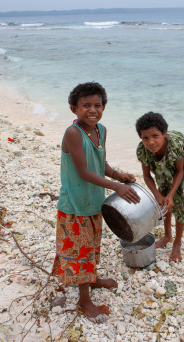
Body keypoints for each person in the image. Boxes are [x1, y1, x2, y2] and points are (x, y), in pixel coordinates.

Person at [51, 82, 140, 323]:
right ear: (73, 109)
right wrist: (117, 187)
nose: (92, 110)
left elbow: (100, 164)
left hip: (93, 202)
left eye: (97, 105)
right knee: (80, 250)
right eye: (86, 105)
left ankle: (91, 278)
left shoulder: (101, 130)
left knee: (91, 244)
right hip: (75, 204)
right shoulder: (73, 133)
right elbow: (83, 171)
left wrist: (118, 175)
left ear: (104, 108)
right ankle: (84, 300)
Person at [135, 112, 184, 262]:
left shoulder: (175, 145)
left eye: (155, 136)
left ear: (164, 133)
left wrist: (172, 194)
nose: (151, 142)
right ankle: (167, 235)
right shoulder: (143, 150)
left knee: (181, 200)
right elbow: (147, 176)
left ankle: (177, 243)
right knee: (163, 195)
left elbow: (180, 171)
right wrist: (158, 195)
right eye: (145, 138)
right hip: (162, 161)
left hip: (181, 159)